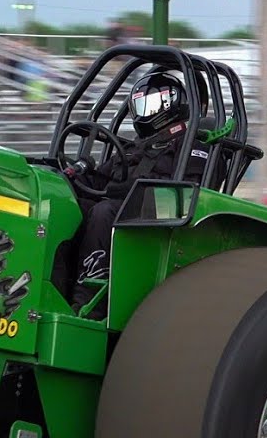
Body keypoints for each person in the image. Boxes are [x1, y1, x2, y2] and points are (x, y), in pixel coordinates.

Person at [70, 68, 214, 309]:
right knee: (70, 204)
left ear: (170, 103)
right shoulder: (134, 148)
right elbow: (96, 181)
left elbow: (189, 194)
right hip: (123, 211)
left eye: (151, 104)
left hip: (157, 222)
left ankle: (90, 302)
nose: (145, 113)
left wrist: (123, 192)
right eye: (140, 106)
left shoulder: (193, 145)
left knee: (103, 212)